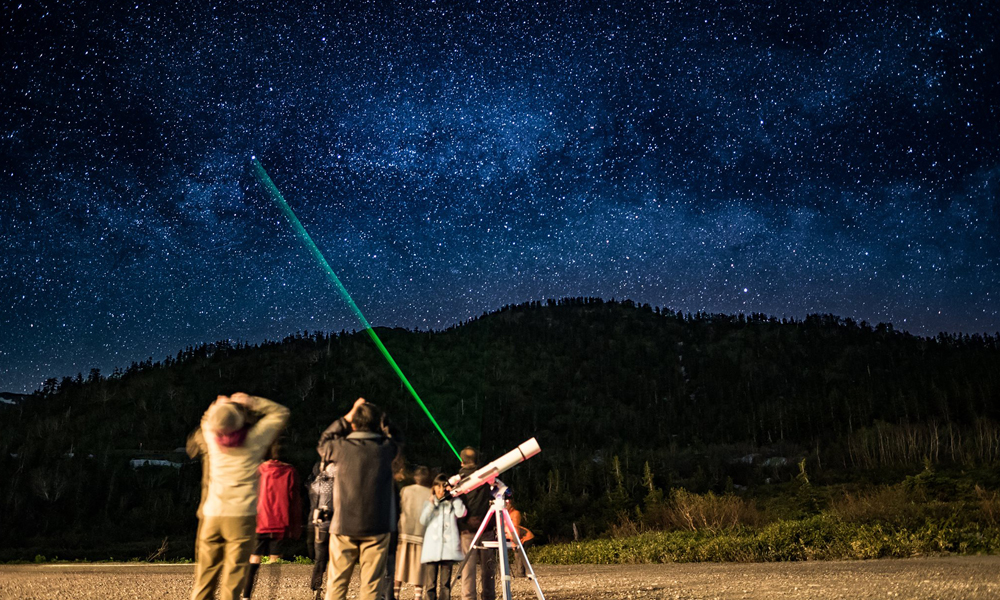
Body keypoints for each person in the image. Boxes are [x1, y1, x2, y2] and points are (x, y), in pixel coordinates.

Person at [191, 392, 290, 600]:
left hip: (212, 514)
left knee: (204, 579)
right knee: (233, 581)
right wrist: (250, 402)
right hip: (241, 516)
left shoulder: (211, 437)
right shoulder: (253, 442)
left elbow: (207, 420)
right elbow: (280, 413)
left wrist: (219, 405)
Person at [317, 397, 403, 600]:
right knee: (371, 586)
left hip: (343, 524)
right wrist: (384, 419)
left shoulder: (340, 447)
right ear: (377, 424)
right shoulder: (386, 449)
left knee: (336, 584)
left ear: (354, 424)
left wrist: (347, 417)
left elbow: (323, 441)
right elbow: (398, 438)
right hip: (377, 525)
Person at [241, 442, 302, 599]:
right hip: (279, 522)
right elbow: (295, 500)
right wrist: (295, 527)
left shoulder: (260, 469)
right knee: (275, 561)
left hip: (260, 521)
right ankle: (271, 595)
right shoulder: (290, 471)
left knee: (254, 559)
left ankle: (246, 595)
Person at [455, 447, 495, 600]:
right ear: (477, 460)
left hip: (467, 530)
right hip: (486, 527)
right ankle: (489, 596)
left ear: (461, 462)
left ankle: (468, 597)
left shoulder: (458, 480)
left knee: (468, 570)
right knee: (488, 568)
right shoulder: (485, 476)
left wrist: (465, 522)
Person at [419, 474, 467, 600]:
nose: (440, 490)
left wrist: (455, 496)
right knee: (430, 584)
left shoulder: (452, 503)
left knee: (445, 585)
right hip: (432, 548)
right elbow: (423, 520)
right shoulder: (429, 503)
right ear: (433, 487)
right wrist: (431, 505)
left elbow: (462, 513)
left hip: (447, 548)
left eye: (443, 487)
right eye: (438, 486)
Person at [395, 466, 433, 600]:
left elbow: (399, 508)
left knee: (399, 565)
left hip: (404, 531)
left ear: (415, 478)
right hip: (421, 533)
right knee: (418, 568)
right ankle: (418, 596)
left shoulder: (406, 490)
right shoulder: (430, 493)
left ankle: (396, 594)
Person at [307, 461, 336, 599]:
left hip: (319, 523)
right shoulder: (340, 484)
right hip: (337, 525)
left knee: (320, 559)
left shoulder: (315, 484)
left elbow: (313, 505)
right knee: (335, 559)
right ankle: (333, 589)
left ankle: (316, 587)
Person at [503, 492, 533, 578]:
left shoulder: (515, 513)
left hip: (526, 537)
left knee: (519, 552)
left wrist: (515, 541)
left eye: (507, 503)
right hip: (516, 536)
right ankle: (521, 572)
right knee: (517, 553)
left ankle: (521, 573)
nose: (506, 505)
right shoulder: (506, 514)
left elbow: (515, 528)